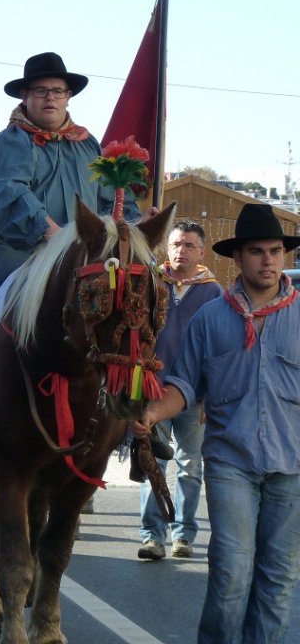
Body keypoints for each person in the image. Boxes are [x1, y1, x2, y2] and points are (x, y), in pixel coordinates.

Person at [133, 203, 300, 644]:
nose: (268, 260)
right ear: (237, 258)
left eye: (276, 251)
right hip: (232, 464)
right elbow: (184, 385)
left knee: (279, 579)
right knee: (231, 572)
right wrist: (152, 412)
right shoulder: (212, 318)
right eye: (257, 251)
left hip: (293, 468)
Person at [0, 52, 140, 382]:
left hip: (84, 251)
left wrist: (135, 225)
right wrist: (53, 234)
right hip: (16, 247)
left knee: (137, 299)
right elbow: (9, 195)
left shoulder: (89, 145)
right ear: (25, 96)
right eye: (41, 90)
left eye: (57, 90)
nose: (50, 97)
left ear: (68, 96)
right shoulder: (9, 142)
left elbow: (114, 197)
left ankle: (138, 401)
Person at [137, 221, 222, 561]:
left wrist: (211, 396)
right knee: (151, 464)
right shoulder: (153, 283)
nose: (180, 250)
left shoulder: (213, 292)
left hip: (194, 396)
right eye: (175, 244)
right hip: (154, 391)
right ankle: (152, 537)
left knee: (190, 466)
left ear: (201, 251)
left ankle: (183, 536)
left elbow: (218, 349)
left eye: (188, 245)